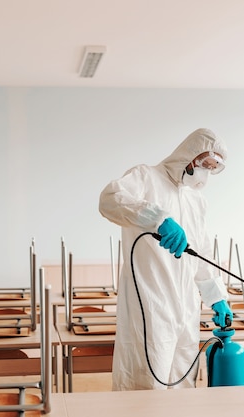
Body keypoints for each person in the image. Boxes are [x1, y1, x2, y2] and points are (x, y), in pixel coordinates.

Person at [98, 128, 233, 391]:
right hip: (150, 306)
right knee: (146, 385)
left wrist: (217, 297)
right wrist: (158, 219)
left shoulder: (197, 201)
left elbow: (202, 254)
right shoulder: (146, 177)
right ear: (191, 155)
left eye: (213, 167)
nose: (206, 171)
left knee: (183, 385)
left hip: (187, 309)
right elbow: (109, 200)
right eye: (205, 163)